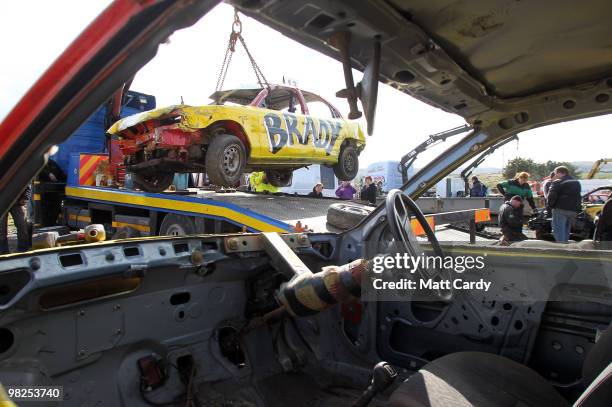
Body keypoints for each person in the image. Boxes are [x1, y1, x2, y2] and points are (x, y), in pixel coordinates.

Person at [547, 166, 581, 242]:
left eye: (556, 173)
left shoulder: (558, 182)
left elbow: (552, 196)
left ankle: (561, 249)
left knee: (558, 230)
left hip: (560, 209)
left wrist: (551, 206)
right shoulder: (576, 182)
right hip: (573, 210)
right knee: (566, 229)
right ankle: (565, 246)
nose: (555, 175)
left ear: (560, 173)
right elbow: (578, 196)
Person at [0, 184, 31, 254]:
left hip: (17, 201)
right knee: (1, 231)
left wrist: (25, 197)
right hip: (2, 202)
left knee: (22, 226)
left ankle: (23, 251)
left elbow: (26, 181)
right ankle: (3, 253)